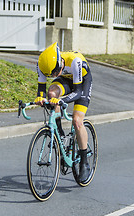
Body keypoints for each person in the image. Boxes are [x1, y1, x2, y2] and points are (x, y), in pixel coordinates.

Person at [35, 42, 92, 183]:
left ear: (60, 61)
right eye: (51, 75)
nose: (54, 75)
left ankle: (84, 161)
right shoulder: (42, 65)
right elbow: (41, 90)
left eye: (56, 72)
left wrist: (61, 100)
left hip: (82, 82)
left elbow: (78, 92)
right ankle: (59, 133)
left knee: (77, 121)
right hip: (66, 80)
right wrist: (40, 99)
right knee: (52, 93)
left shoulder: (75, 61)